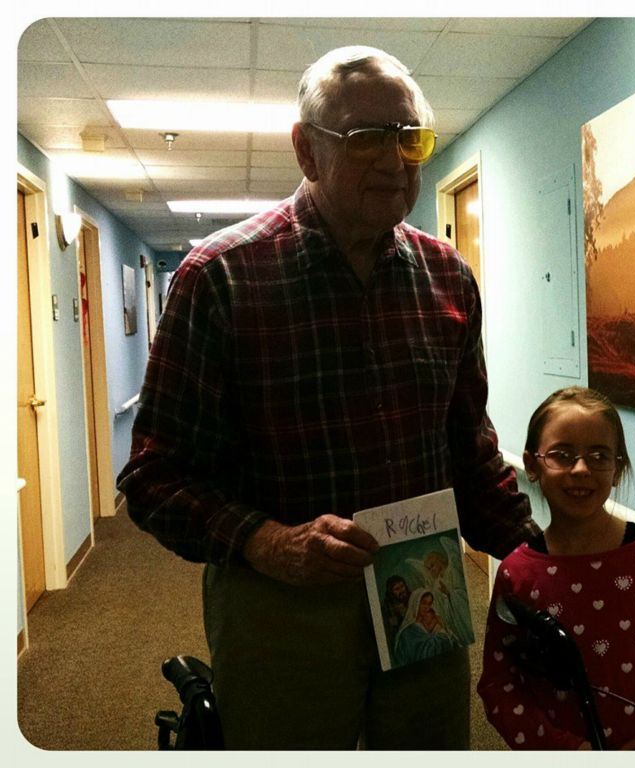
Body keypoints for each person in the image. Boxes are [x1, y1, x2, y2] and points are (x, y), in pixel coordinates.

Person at [116, 45, 539, 750]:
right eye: (366, 137)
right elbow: (152, 476)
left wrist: (539, 559)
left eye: (410, 138)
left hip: (422, 595)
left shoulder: (449, 280)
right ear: (306, 151)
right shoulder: (219, 278)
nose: (394, 159)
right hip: (281, 604)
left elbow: (470, 450)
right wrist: (266, 541)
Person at [478, 386, 635, 750]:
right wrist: (559, 748)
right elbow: (500, 683)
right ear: (532, 465)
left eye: (598, 456)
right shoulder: (519, 574)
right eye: (562, 454)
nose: (581, 469)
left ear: (617, 469)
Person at [393, 589, 456, 667]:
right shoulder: (408, 631)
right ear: (415, 603)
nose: (427, 607)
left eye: (429, 604)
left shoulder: (430, 621)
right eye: (423, 603)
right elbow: (426, 653)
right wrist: (442, 634)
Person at [382, 574, 411, 647]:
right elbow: (393, 631)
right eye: (397, 589)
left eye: (402, 586)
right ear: (391, 592)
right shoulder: (388, 608)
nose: (402, 590)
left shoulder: (412, 598)